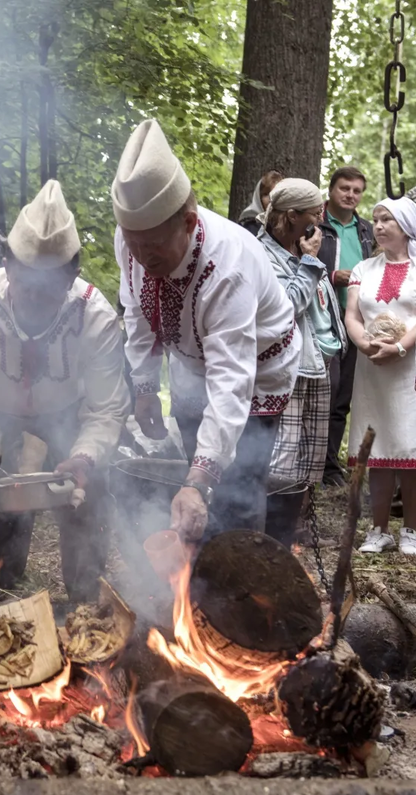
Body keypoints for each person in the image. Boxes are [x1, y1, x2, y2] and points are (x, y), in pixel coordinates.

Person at [0, 180, 129, 600]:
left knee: (88, 494)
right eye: (26, 286)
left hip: (66, 409)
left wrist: (86, 456)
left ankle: (84, 601)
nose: (35, 302)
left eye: (49, 291)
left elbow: (106, 410)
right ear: (6, 264)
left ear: (72, 275)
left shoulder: (96, 317)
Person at [115, 120, 300, 545]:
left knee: (235, 483)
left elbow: (232, 382)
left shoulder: (227, 268)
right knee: (193, 462)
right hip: (191, 364)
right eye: (133, 243)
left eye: (153, 246)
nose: (142, 258)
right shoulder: (131, 240)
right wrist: (144, 385)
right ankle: (195, 584)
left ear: (188, 222)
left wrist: (200, 479)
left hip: (257, 368)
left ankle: (240, 577)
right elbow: (137, 311)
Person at [346, 197, 416, 555]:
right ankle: (378, 529)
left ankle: (410, 529)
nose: (379, 226)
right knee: (377, 444)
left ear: (407, 226)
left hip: (412, 367)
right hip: (372, 369)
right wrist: (365, 343)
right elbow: (352, 314)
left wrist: (399, 348)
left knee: (413, 446)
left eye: (388, 220)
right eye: (376, 220)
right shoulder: (362, 269)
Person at [258, 179, 345, 492]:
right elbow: (287, 306)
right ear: (292, 216)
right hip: (288, 365)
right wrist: (309, 261)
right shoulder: (263, 255)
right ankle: (275, 528)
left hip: (319, 360)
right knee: (285, 454)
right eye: (314, 212)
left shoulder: (302, 247)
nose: (320, 219)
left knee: (313, 454)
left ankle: (301, 528)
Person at [318, 165, 375, 488]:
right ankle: (313, 462)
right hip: (323, 317)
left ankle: (329, 467)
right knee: (324, 389)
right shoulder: (315, 223)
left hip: (355, 318)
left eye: (356, 190)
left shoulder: (366, 229)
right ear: (331, 190)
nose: (351, 195)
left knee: (343, 396)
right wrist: (332, 274)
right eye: (345, 189)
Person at [238, 169, 284, 237]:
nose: (270, 198)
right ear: (259, 197)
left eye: (275, 193)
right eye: (266, 194)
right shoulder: (249, 225)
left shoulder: (290, 225)